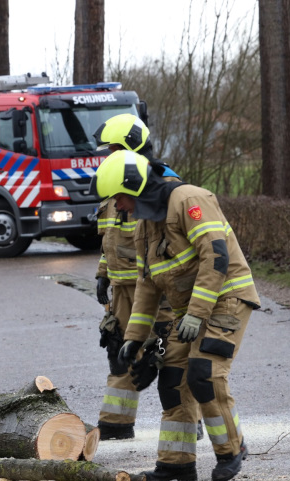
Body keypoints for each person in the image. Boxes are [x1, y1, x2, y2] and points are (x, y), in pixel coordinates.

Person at [90, 149, 259, 481]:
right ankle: (176, 464)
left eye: (120, 198)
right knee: (173, 380)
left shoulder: (188, 200)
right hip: (190, 311)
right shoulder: (145, 228)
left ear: (137, 189)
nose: (118, 206)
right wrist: (134, 338)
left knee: (204, 373)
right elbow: (147, 287)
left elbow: (217, 258)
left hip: (227, 300)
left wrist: (196, 314)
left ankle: (231, 450)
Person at [91, 114, 194, 440]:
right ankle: (115, 424)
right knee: (120, 351)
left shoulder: (161, 185)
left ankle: (193, 422)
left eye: (113, 148)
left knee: (169, 356)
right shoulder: (117, 184)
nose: (108, 155)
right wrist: (103, 273)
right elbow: (109, 237)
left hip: (158, 289)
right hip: (123, 289)